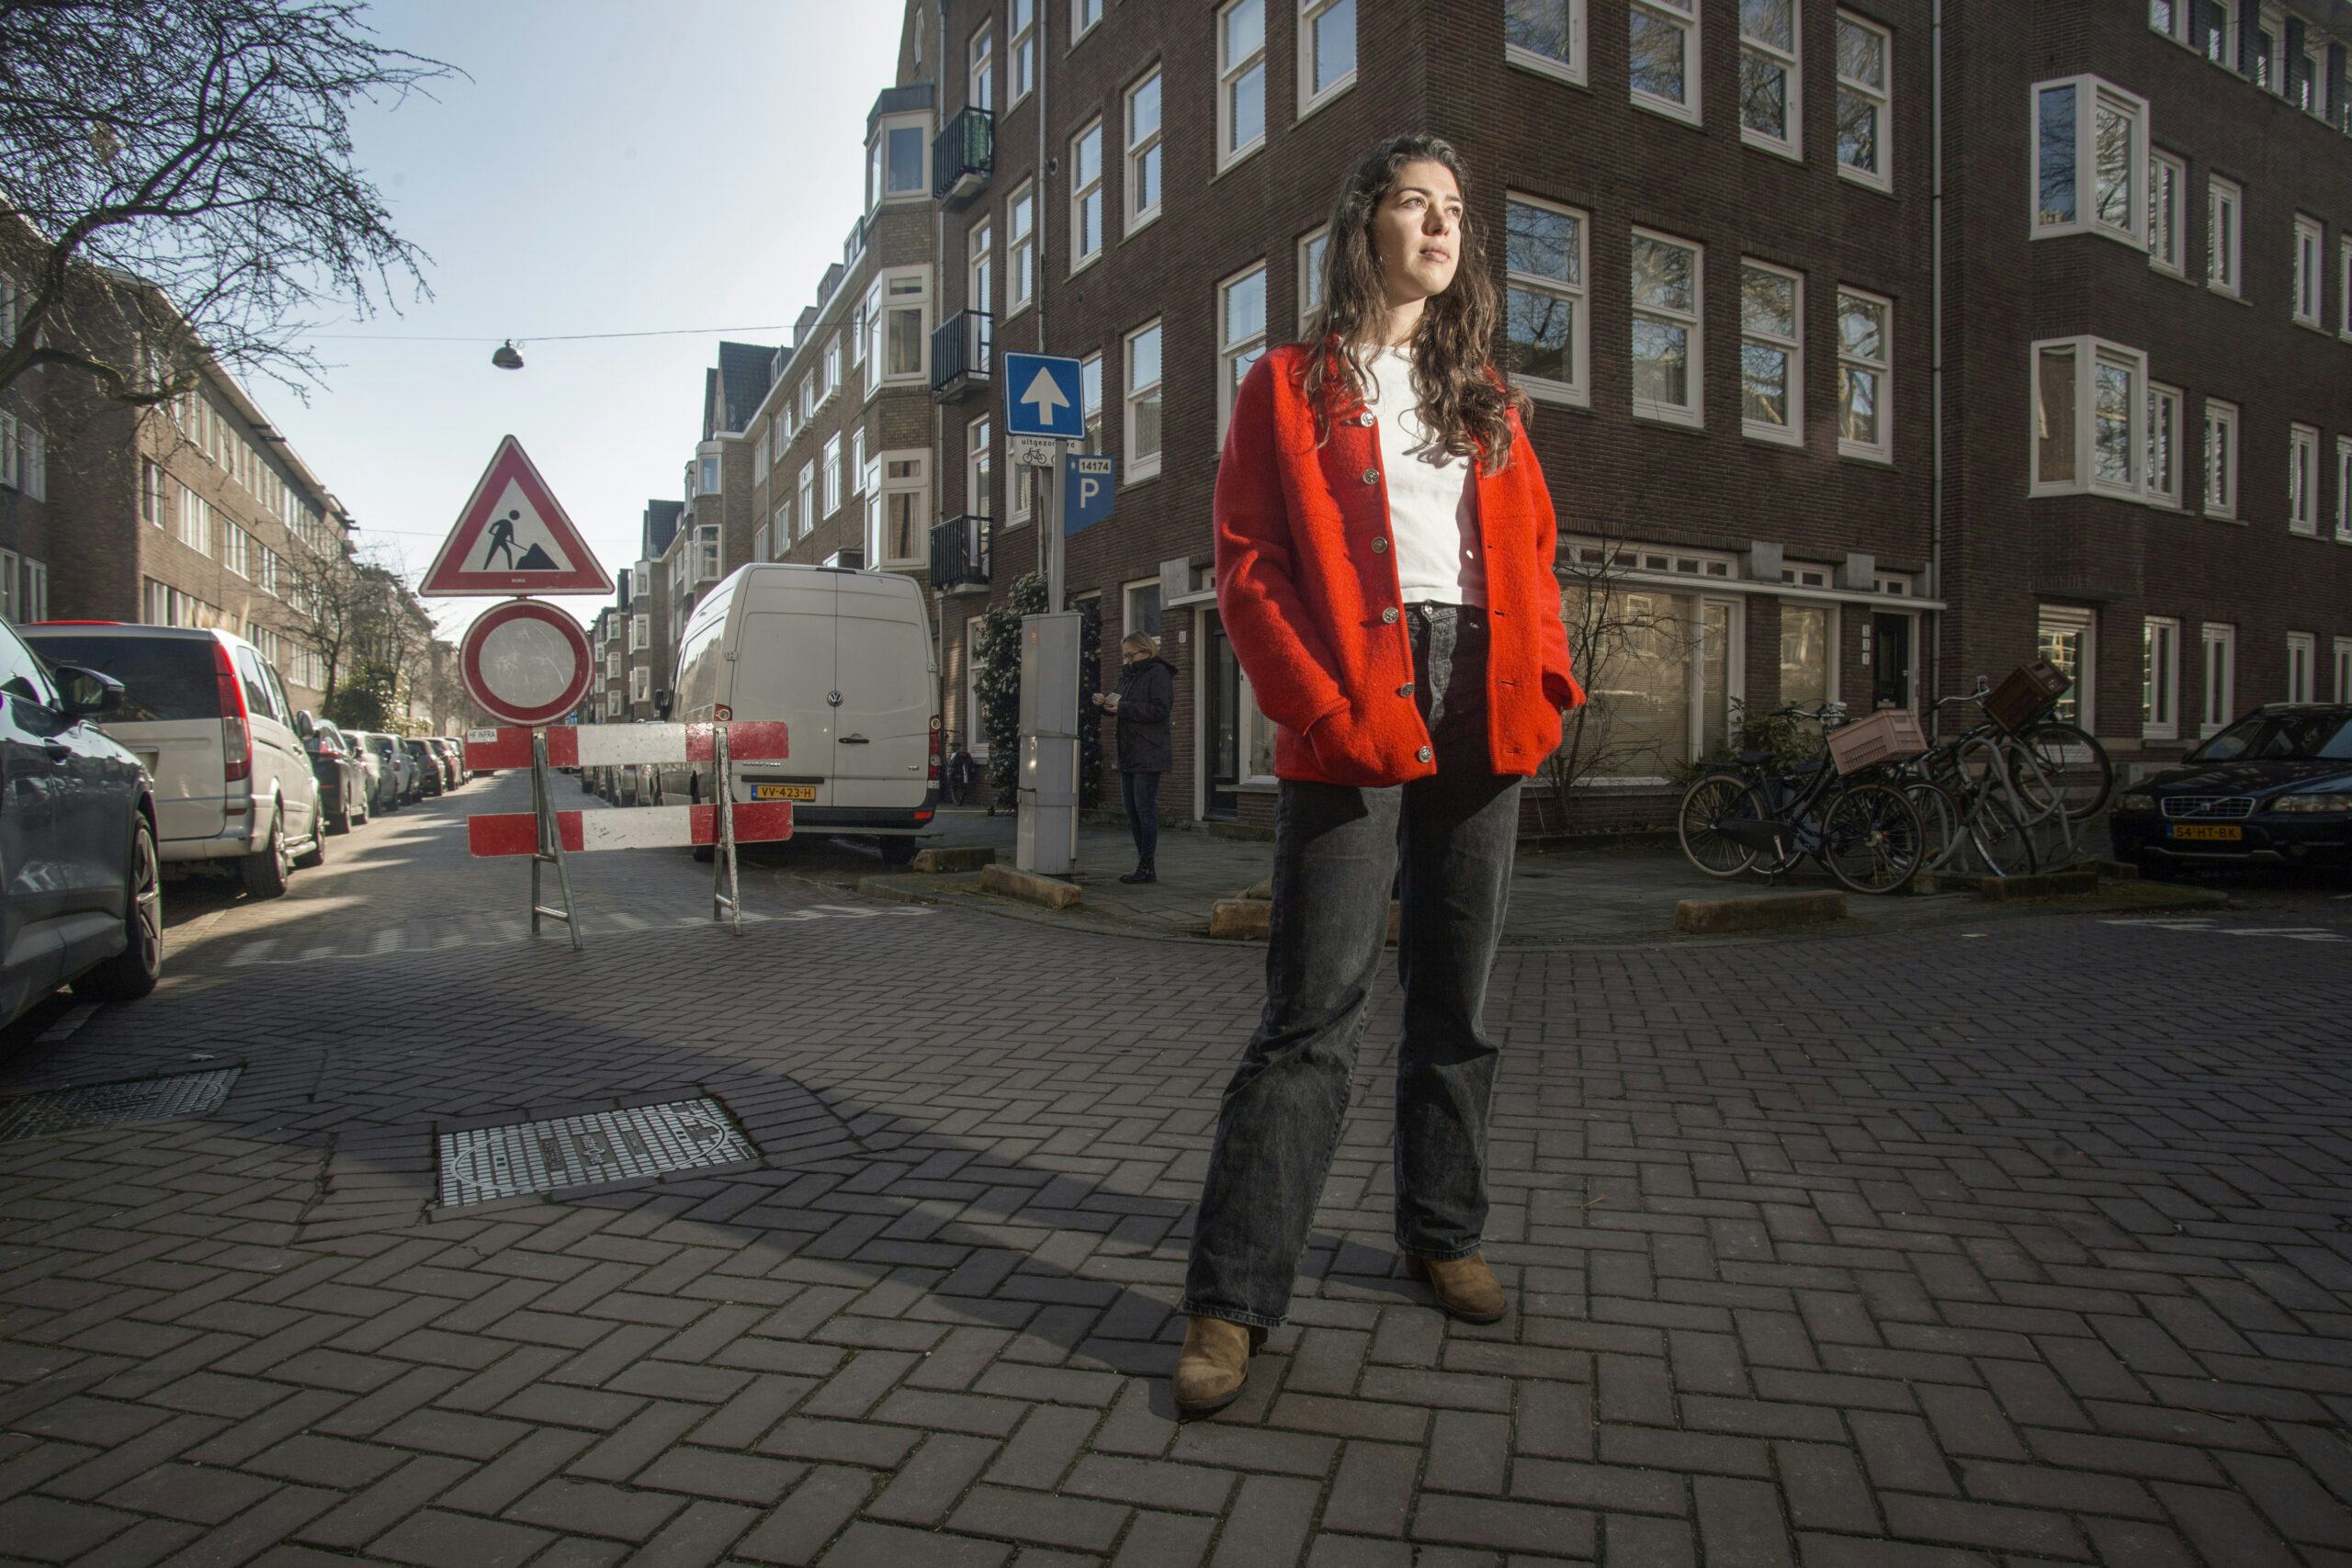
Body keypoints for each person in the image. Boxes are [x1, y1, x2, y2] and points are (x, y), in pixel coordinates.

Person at [1173, 133, 1583, 1415]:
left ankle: (1441, 1230)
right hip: (1356, 692)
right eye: (1416, 202)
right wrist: (1317, 704)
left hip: (1484, 689)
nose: (1442, 224)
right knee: (1312, 1012)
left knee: (1457, 994)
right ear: (1365, 225)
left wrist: (1549, 686)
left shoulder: (1486, 396)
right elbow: (1250, 567)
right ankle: (1232, 1298)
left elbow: (1535, 554)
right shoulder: (1287, 385)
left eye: (1456, 207)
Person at [1093, 632, 1175, 883]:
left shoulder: (1158, 673)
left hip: (1149, 751)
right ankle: (1143, 865)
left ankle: (1147, 867)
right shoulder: (1128, 675)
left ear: (1146, 651)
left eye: (1130, 655)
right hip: (1128, 751)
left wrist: (1123, 708)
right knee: (1131, 810)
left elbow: (1160, 710)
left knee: (1144, 810)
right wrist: (1104, 703)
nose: (1127, 660)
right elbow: (1118, 705)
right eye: (1124, 656)